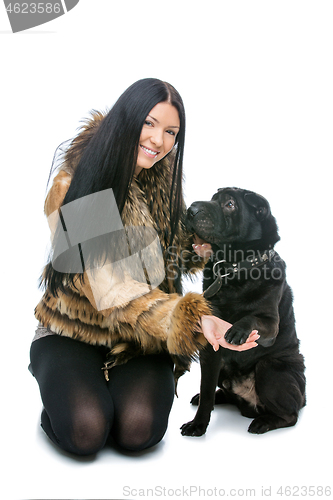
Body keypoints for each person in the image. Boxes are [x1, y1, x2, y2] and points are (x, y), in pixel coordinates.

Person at [30, 78, 259, 457]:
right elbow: (110, 288)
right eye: (149, 123)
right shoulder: (74, 184)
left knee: (137, 431)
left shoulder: (162, 180)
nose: (158, 140)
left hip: (143, 339)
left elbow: (163, 260)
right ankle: (59, 395)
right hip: (73, 331)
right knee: (87, 432)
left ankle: (106, 391)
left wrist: (200, 247)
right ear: (126, 119)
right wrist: (192, 319)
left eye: (171, 131)